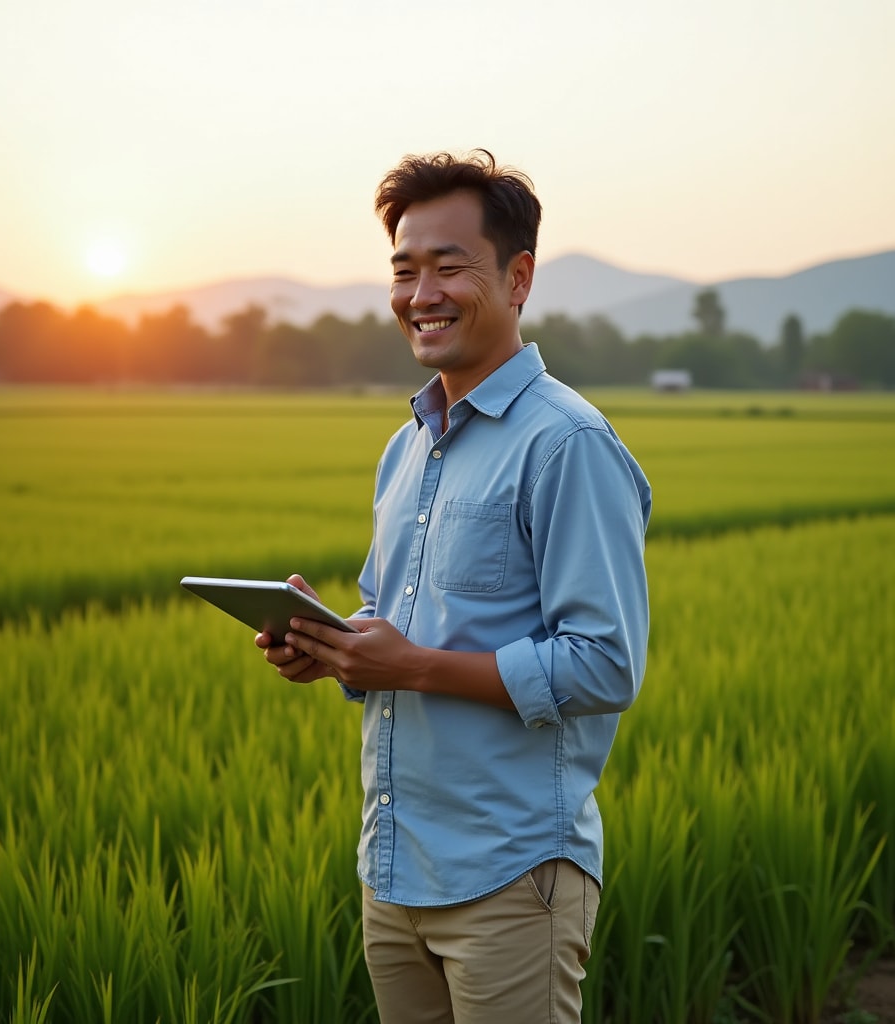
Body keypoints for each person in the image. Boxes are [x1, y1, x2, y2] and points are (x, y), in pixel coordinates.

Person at [256, 149, 652, 1024]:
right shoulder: (406, 449)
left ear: (517, 279)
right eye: (404, 270)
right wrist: (334, 646)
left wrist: (415, 666)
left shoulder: (567, 443)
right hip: (394, 868)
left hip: (511, 878)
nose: (420, 293)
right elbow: (394, 630)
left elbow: (605, 665)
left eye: (448, 267)